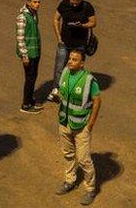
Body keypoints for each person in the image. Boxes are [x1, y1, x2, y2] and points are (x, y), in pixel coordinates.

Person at [55, 49, 101, 206]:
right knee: (68, 154)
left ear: (82, 63)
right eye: (69, 58)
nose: (70, 61)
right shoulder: (65, 73)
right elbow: (62, 93)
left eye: (74, 60)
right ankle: (70, 180)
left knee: (83, 159)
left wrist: (90, 125)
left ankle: (90, 189)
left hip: (81, 126)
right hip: (64, 122)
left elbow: (97, 101)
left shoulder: (89, 80)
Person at [49, 0, 97, 103]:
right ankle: (55, 90)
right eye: (73, 2)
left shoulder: (87, 7)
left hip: (80, 44)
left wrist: (83, 25)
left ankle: (75, 91)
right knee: (59, 67)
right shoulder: (64, 4)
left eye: (77, 2)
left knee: (77, 68)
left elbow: (93, 22)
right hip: (64, 43)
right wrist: (59, 37)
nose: (75, 5)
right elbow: (56, 19)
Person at [16, 0, 43, 114]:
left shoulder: (34, 14)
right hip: (29, 54)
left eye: (38, 2)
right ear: (28, 2)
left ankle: (30, 100)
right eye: (34, 2)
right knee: (30, 79)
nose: (37, 4)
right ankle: (26, 105)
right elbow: (20, 38)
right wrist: (24, 55)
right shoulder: (22, 17)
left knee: (33, 77)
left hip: (35, 52)